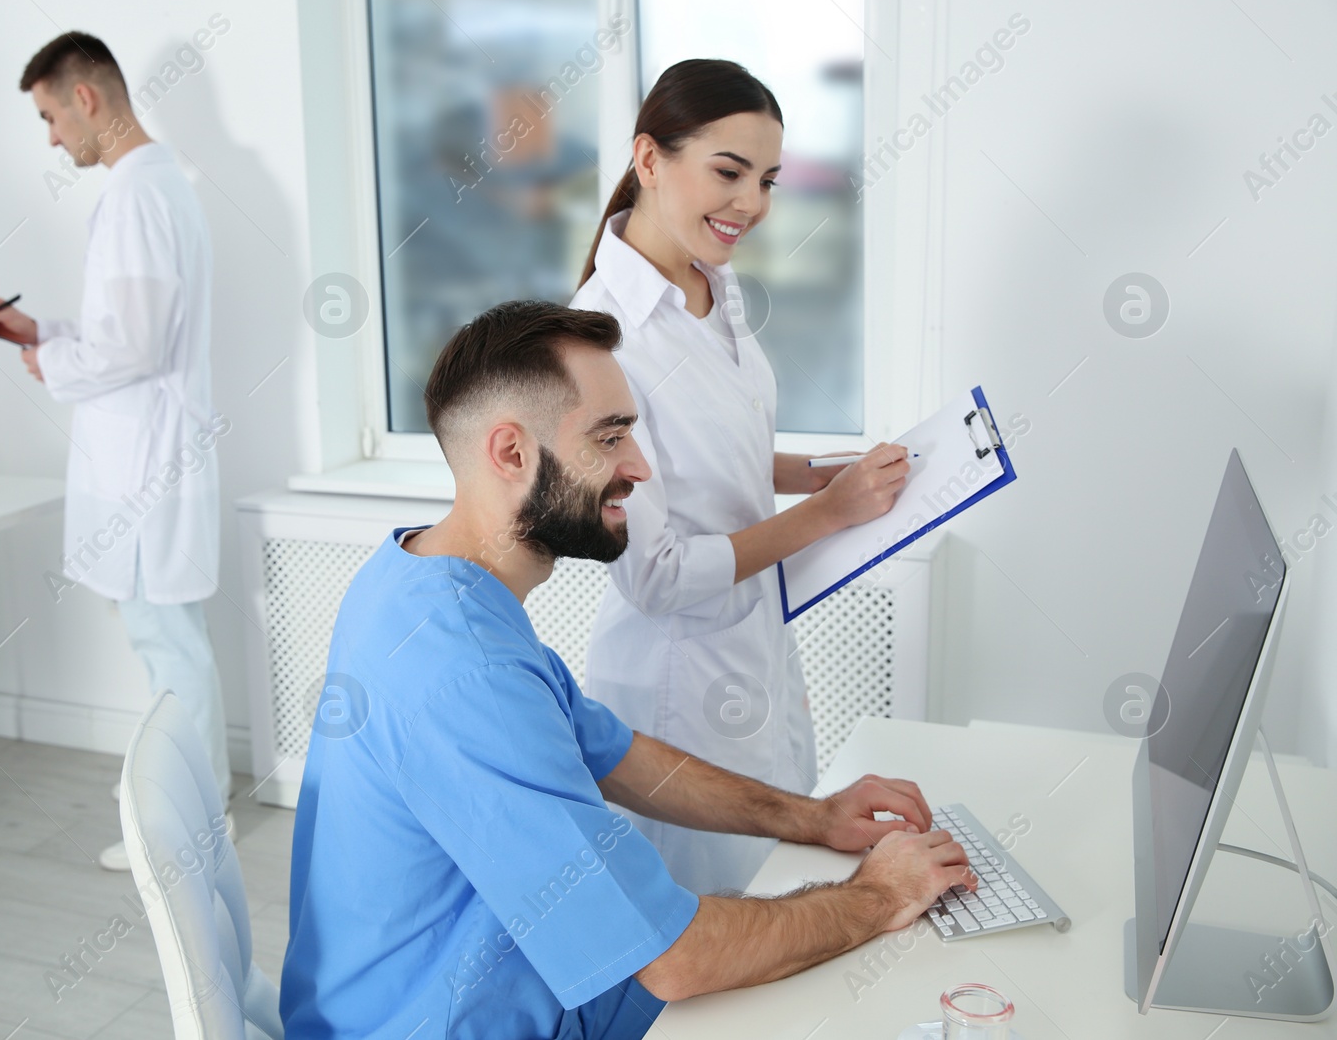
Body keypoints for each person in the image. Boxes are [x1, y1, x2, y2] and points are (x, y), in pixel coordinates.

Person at [280, 299, 971, 1040]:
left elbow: (620, 755)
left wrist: (816, 816)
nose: (640, 467)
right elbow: (670, 958)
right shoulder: (465, 668)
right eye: (610, 437)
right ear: (511, 453)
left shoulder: (418, 576)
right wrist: (874, 895)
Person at [571, 59, 910, 895]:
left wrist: (845, 470)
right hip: (678, 687)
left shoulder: (709, 287)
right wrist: (830, 512)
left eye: (766, 179)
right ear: (648, 159)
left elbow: (723, 452)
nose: (752, 204)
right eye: (728, 172)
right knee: (718, 944)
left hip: (754, 653)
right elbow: (653, 574)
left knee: (776, 901)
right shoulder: (602, 336)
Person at [0, 32, 231, 871]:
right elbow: (129, 331)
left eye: (49, 116)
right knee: (167, 645)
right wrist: (39, 331)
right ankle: (188, 822)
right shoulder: (151, 189)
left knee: (171, 649)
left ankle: (191, 832)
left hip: (148, 473)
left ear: (86, 98)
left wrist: (49, 359)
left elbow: (136, 346)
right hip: (147, 465)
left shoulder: (138, 195)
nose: (50, 137)